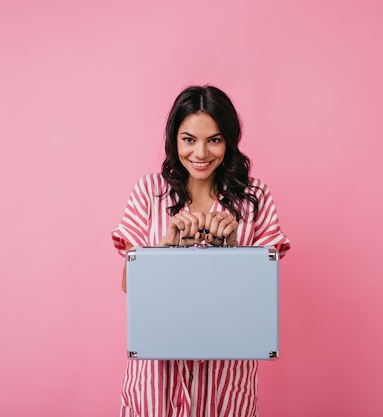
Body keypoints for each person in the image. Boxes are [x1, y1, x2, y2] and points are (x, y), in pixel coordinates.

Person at [111, 85, 290, 417]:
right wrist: (163, 249)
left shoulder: (255, 197)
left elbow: (262, 297)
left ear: (229, 141)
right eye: (189, 139)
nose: (201, 153)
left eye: (214, 140)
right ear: (174, 139)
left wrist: (235, 252)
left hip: (225, 382)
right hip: (157, 381)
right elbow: (128, 284)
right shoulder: (149, 192)